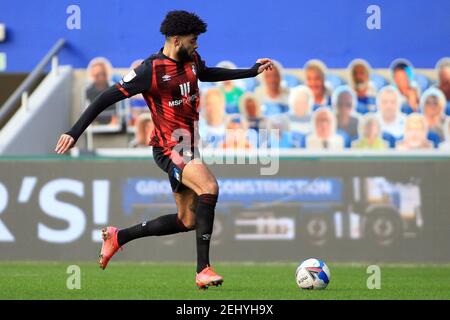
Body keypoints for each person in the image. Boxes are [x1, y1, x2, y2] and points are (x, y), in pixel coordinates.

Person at [54, 10, 273, 289]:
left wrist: (250, 71)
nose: (197, 45)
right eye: (193, 40)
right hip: (170, 147)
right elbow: (104, 98)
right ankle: (203, 269)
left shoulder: (191, 59)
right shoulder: (150, 70)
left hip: (189, 145)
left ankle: (118, 237)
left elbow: (205, 73)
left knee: (187, 220)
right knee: (210, 187)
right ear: (176, 39)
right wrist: (74, 132)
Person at [85, 57, 120, 126]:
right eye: (97, 75)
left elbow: (118, 109)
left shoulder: (113, 88)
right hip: (95, 124)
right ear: (92, 75)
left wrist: (115, 120)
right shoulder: (88, 91)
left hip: (113, 123)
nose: (100, 77)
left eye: (103, 73)